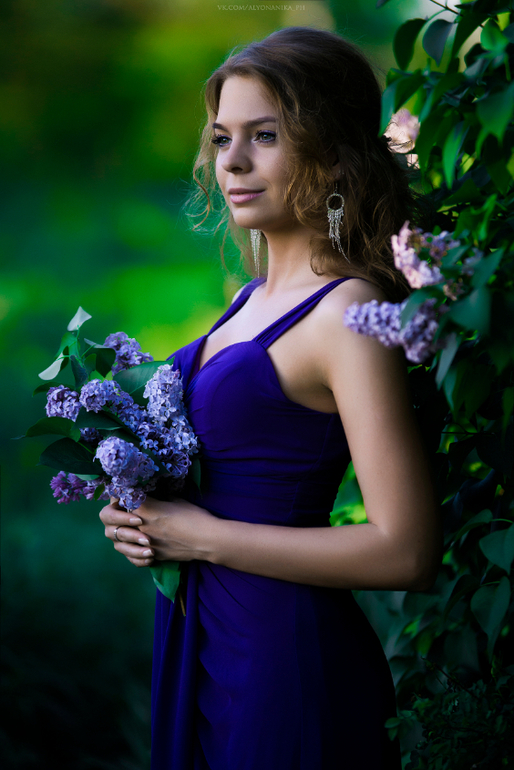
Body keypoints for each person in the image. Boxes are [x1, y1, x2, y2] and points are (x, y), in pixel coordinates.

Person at [100, 27, 441, 770]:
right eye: (222, 138)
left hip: (283, 662)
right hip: (203, 637)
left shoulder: (348, 314)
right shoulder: (248, 300)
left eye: (265, 136)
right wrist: (147, 522)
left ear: (332, 150)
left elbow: (406, 549)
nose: (233, 162)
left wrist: (202, 537)